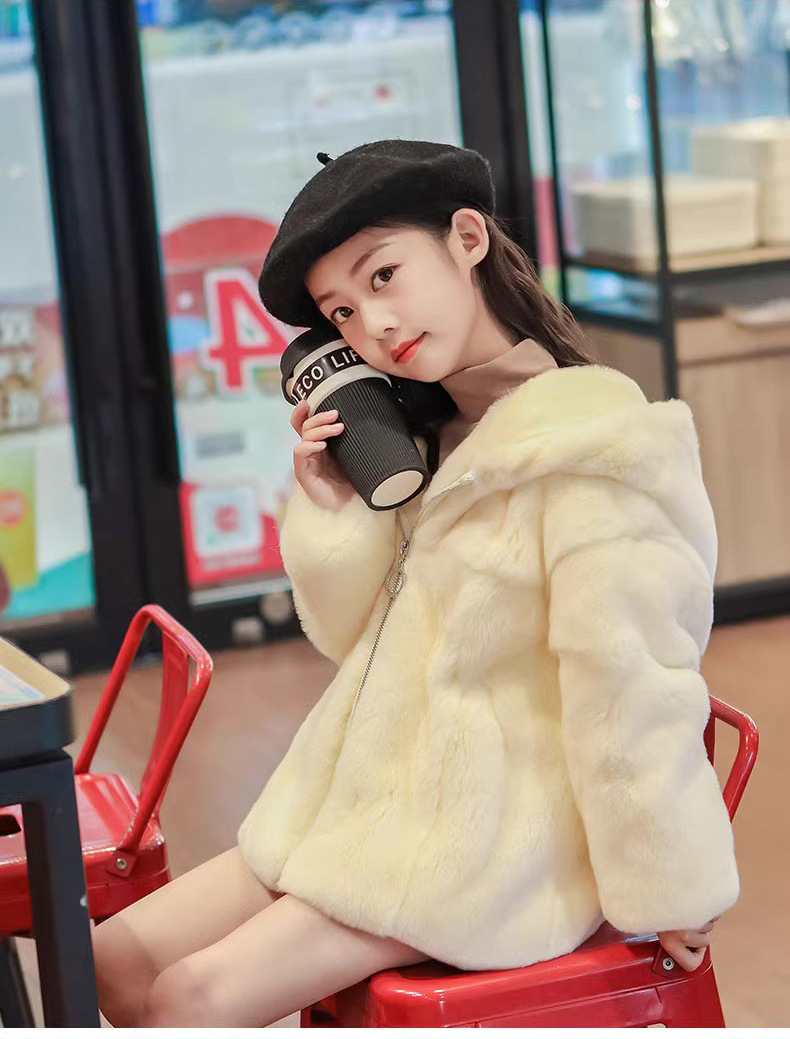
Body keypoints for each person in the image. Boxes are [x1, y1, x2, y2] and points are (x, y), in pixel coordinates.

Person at [92, 140, 737, 1027]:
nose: (375, 324)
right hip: (362, 805)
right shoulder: (426, 439)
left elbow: (633, 681)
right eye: (344, 311)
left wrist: (673, 887)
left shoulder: (593, 449)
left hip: (484, 842)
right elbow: (350, 635)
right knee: (111, 961)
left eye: (385, 275)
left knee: (189, 998)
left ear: (467, 238)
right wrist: (335, 505)